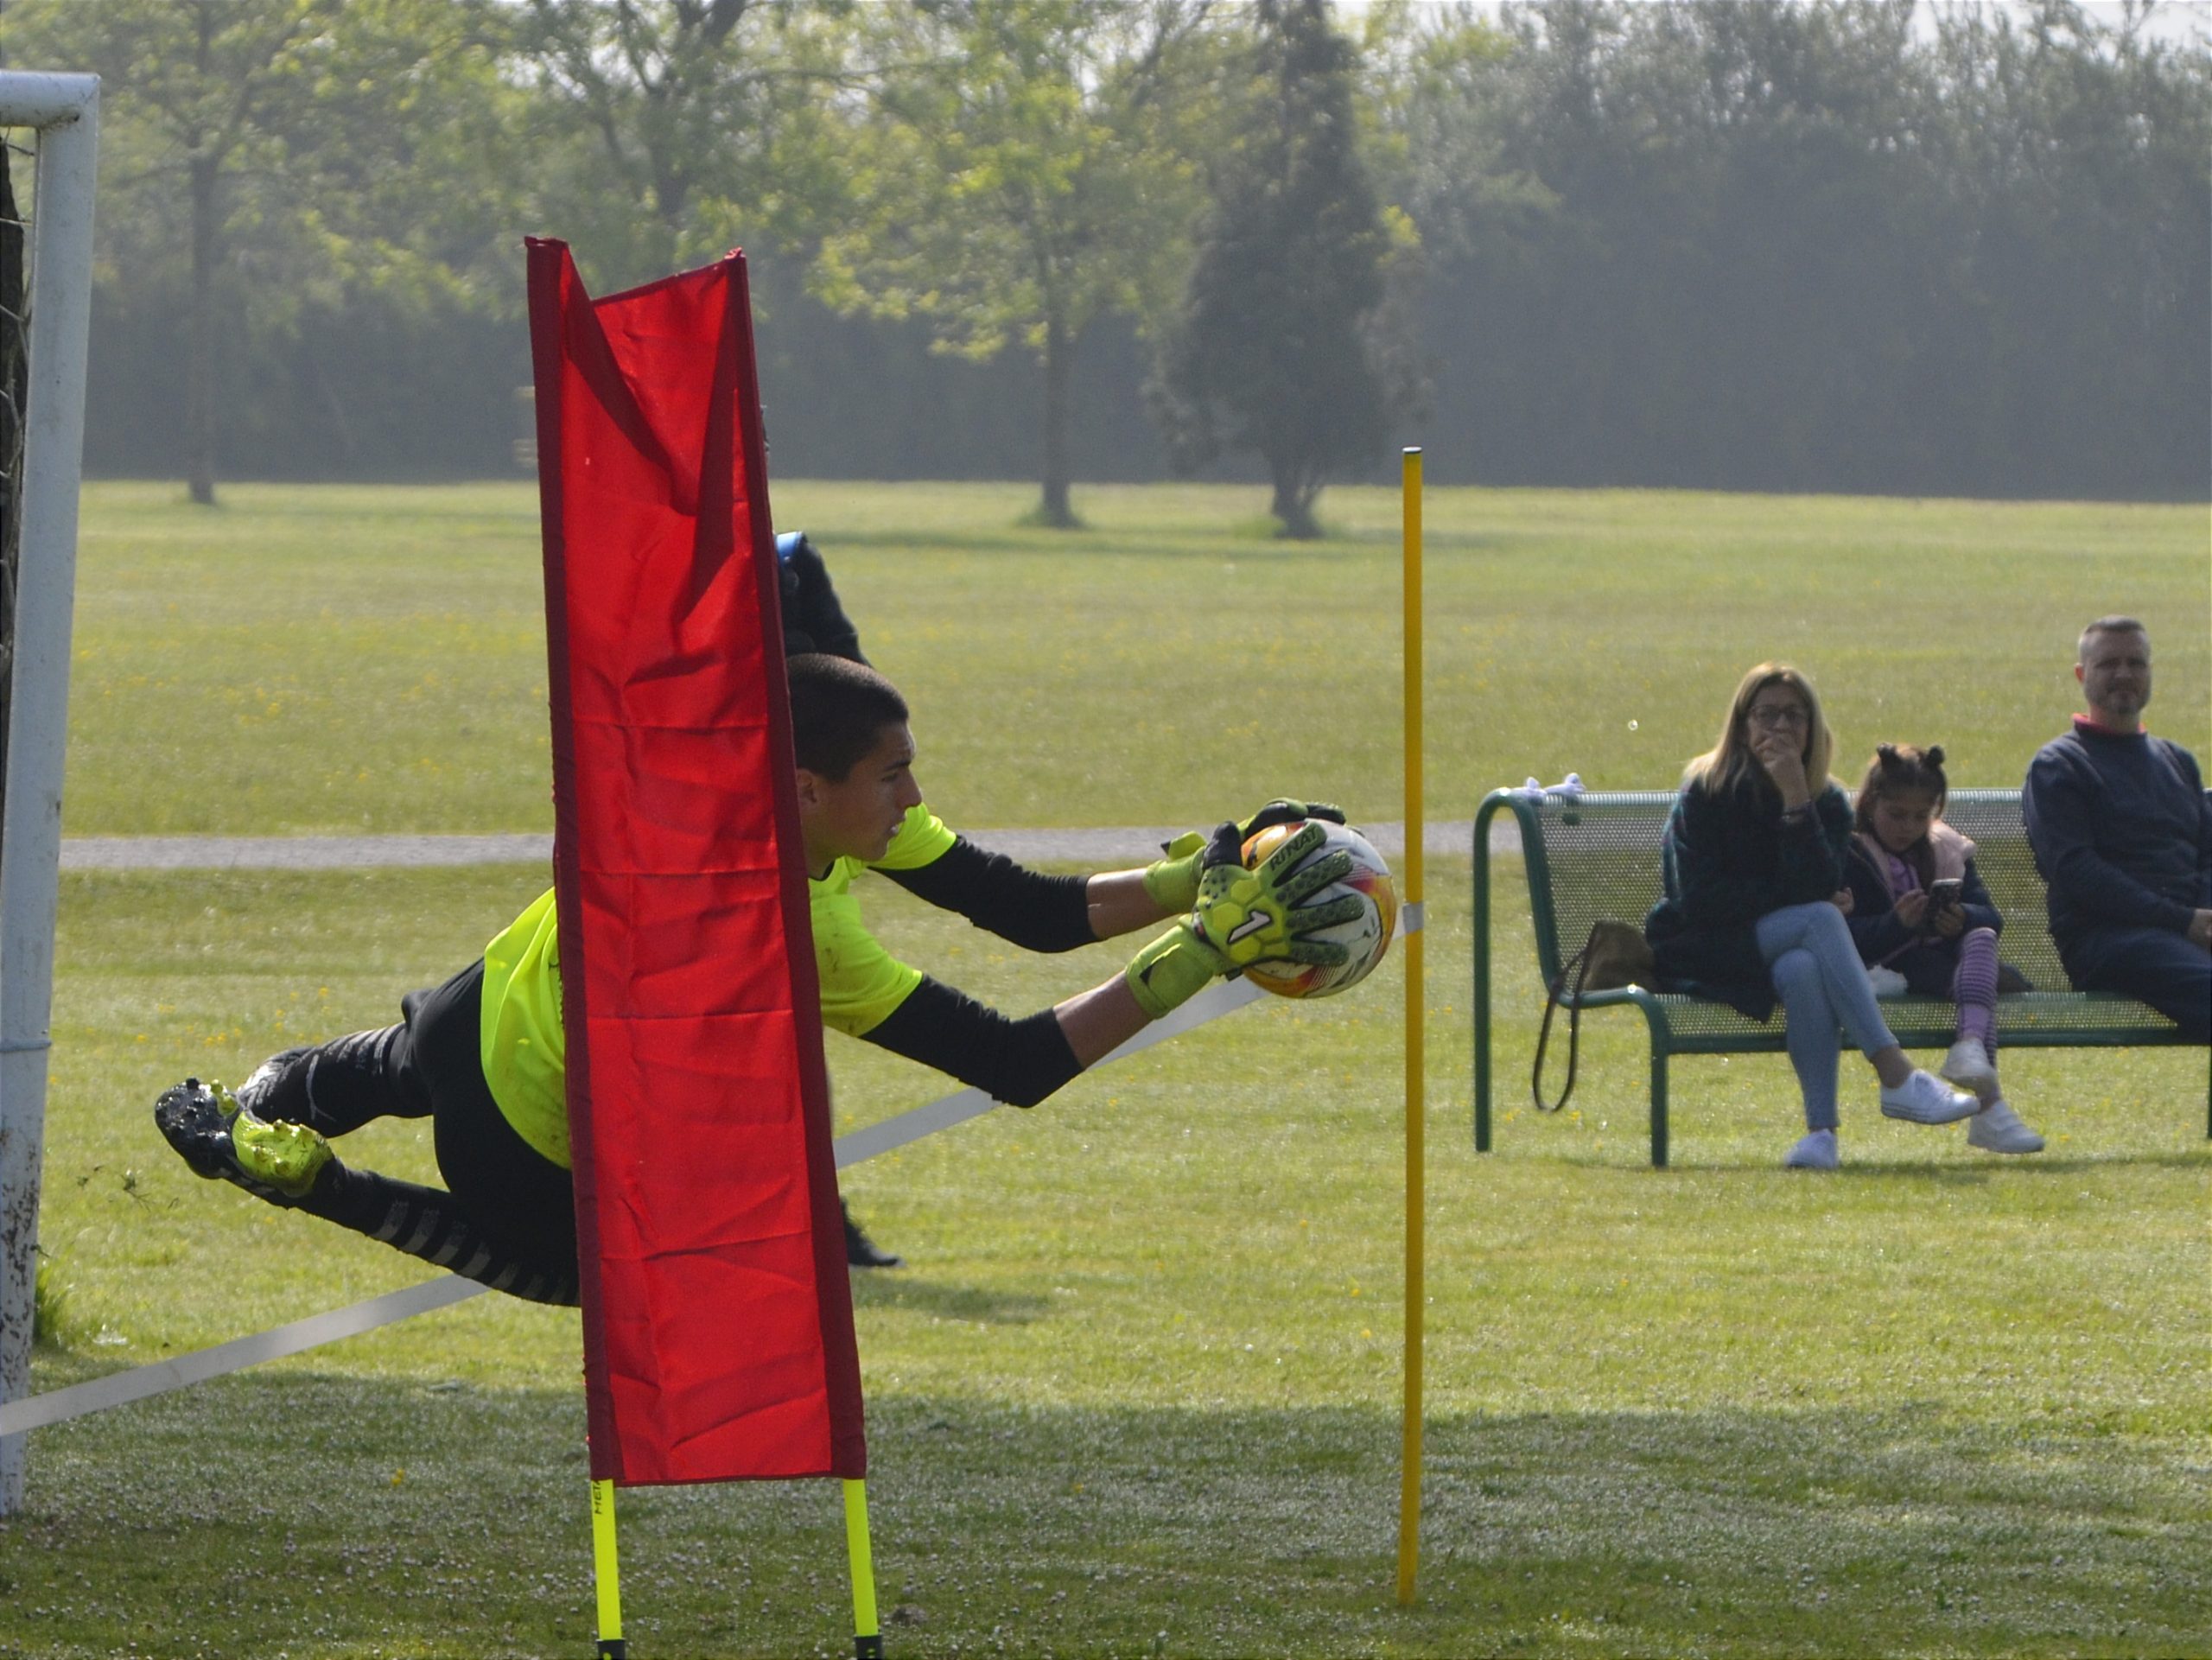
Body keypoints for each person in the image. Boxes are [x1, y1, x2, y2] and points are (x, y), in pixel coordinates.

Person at [155, 651, 1360, 1305]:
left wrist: (1196, 873)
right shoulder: (796, 933)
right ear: (808, 791)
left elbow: (1033, 912)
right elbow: (1012, 1061)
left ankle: (263, 1100)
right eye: (892, 775)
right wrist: (1199, 956)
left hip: (476, 1015)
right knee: (589, 1287)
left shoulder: (741, 786)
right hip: (528, 1137)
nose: (914, 796)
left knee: (399, 1063)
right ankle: (320, 1185)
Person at [1642, 664, 1980, 1169]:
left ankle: (1821, 1136)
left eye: (1794, 716)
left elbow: (1819, 881)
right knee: (1820, 919)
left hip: (1775, 947)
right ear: (1742, 724)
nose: (1779, 727)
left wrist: (1796, 801)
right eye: (1766, 714)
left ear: (1812, 727)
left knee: (1803, 965)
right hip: (1699, 947)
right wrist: (1794, 902)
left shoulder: (1825, 801)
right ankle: (1896, 1075)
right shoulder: (1706, 792)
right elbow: (1701, 900)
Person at [1842, 743, 2042, 1154]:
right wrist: (1896, 924)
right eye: (1897, 815)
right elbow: (1843, 938)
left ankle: (1970, 1047)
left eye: (1921, 816)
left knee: (1980, 938)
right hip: (1892, 968)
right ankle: (1990, 1109)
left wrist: (1962, 918)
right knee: (1978, 984)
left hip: (1949, 962)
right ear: (1870, 802)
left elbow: (1989, 917)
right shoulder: (1850, 852)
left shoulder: (1945, 849)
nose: (1908, 827)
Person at [2023, 618, 2212, 1041]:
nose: (2124, 674)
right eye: (2108, 664)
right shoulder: (2060, 766)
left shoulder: (2178, 762)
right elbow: (2076, 871)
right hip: (2109, 939)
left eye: (2136, 663)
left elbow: (2207, 855)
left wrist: (2204, 919)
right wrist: (2182, 921)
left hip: (2186, 933)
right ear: (2081, 675)